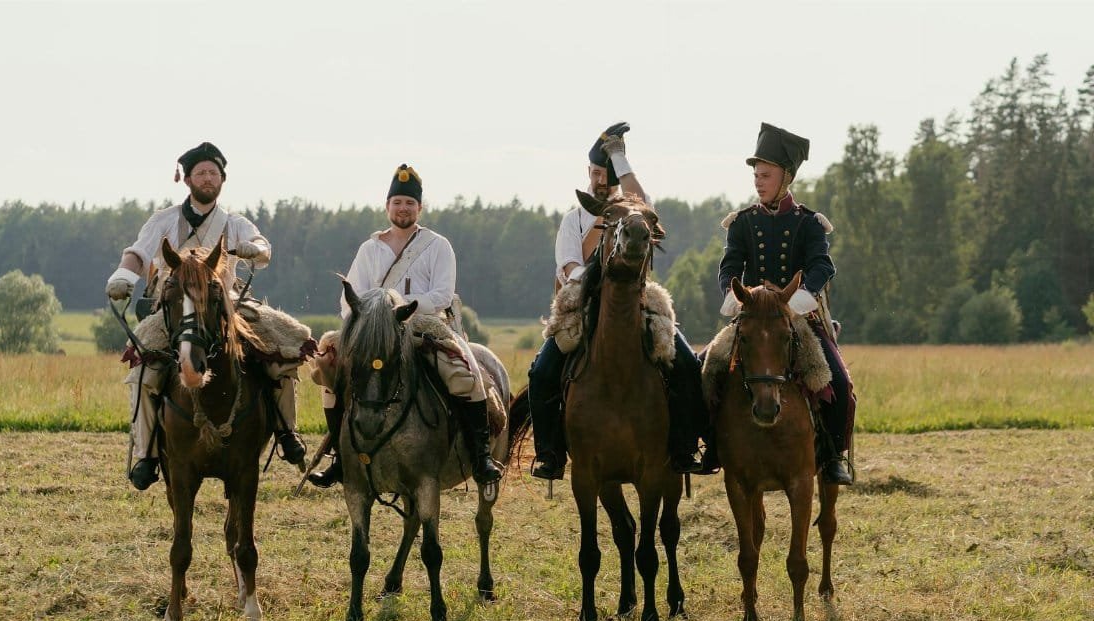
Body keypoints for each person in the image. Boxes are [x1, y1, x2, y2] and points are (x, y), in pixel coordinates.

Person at [105, 141, 308, 490]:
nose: (208, 178)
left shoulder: (235, 222)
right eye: (201, 173)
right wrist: (122, 276)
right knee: (144, 371)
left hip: (224, 305)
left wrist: (252, 249)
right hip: (171, 307)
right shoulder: (163, 220)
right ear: (187, 180)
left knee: (280, 353)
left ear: (222, 180)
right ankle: (147, 453)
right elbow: (137, 254)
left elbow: (263, 249)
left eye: (214, 173)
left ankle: (286, 430)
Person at [527, 122, 709, 480]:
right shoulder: (574, 219)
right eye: (595, 173)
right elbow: (568, 266)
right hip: (584, 304)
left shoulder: (634, 214)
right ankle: (550, 454)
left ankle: (686, 447)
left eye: (606, 175)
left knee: (687, 365)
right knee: (541, 372)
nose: (598, 180)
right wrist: (597, 279)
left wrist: (618, 157)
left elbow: (644, 203)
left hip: (637, 302)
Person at [306, 164, 503, 488]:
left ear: (419, 208)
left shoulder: (437, 245)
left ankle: (480, 455)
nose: (403, 208)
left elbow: (441, 294)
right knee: (328, 364)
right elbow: (348, 299)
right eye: (397, 202)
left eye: (409, 203)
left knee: (462, 373)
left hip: (424, 324)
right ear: (387, 207)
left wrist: (398, 304)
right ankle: (340, 459)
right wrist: (370, 322)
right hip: (372, 329)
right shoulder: (370, 249)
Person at [713, 122, 854, 485]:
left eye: (766, 175)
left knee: (839, 384)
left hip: (799, 317)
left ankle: (834, 455)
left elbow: (823, 265)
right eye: (756, 175)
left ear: (786, 177)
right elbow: (730, 264)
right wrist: (733, 296)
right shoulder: (742, 223)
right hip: (751, 317)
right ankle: (712, 446)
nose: (758, 182)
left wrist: (800, 298)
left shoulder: (808, 223)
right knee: (705, 371)